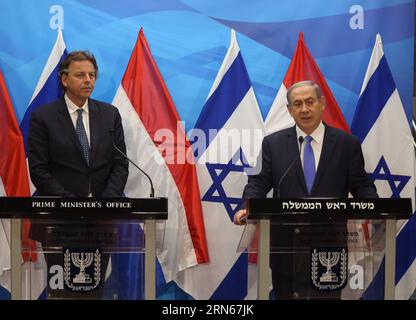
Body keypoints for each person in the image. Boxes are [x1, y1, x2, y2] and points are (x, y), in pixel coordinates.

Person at [234, 80, 378, 299]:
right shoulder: (273, 144)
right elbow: (259, 182)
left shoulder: (346, 144)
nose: (304, 109)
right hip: (286, 244)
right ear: (289, 110)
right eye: (297, 104)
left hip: (329, 243)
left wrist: (376, 207)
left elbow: (361, 185)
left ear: (322, 103)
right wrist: (248, 207)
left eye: (310, 102)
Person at [27, 50, 129, 299]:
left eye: (92, 75)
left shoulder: (109, 115)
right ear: (64, 80)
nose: (88, 80)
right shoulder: (43, 117)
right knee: (63, 293)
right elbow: (39, 171)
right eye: (80, 75)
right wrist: (73, 202)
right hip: (59, 222)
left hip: (100, 222)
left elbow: (120, 164)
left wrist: (105, 202)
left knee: (94, 291)